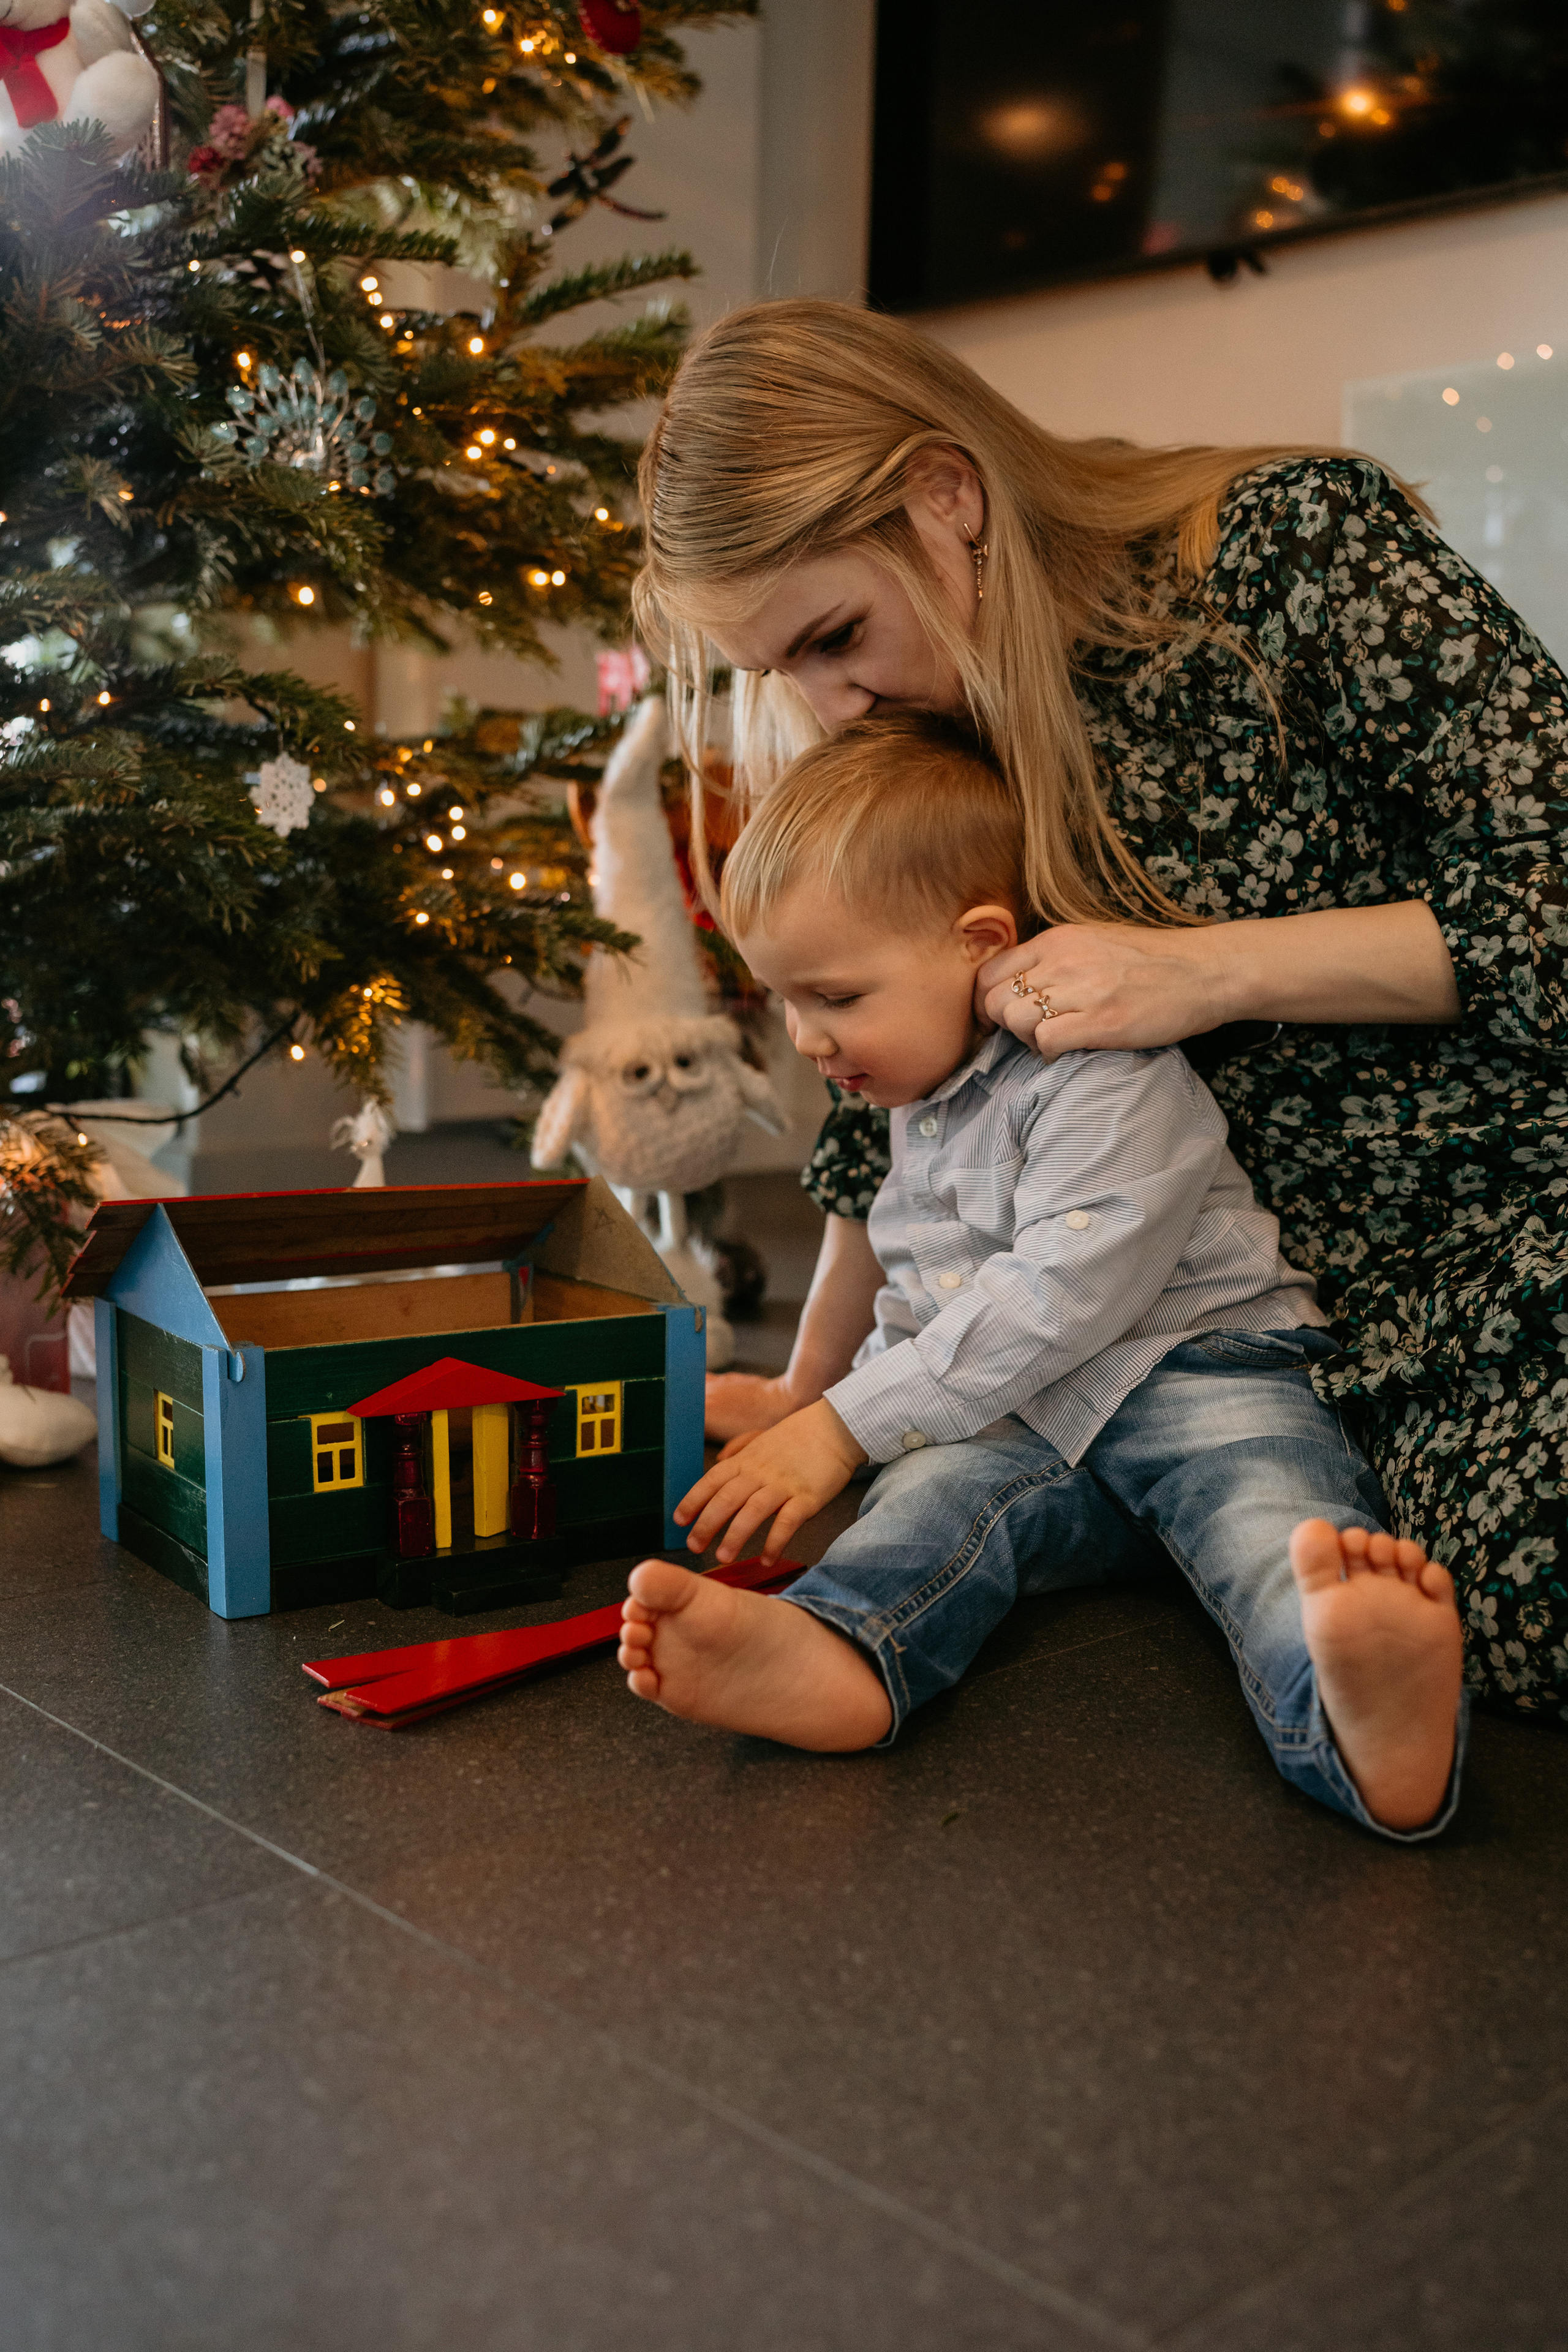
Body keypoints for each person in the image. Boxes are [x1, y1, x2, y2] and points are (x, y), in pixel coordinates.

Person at [630, 296, 1568, 1727]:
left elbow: (1546, 885)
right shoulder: (931, 717)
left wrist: (1211, 968)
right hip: (1173, 1314)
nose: (832, 706)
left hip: (1485, 1225)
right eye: (787, 673)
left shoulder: (1282, 551)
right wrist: (811, 1393)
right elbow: (887, 1091)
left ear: (944, 495)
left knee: (1517, 1615)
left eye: (835, 636)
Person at [618, 717, 1466, 1838]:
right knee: (928, 1501)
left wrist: (844, 1424)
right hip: (1026, 1413)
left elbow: (1060, 1293)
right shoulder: (913, 1104)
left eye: (834, 996)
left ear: (979, 943)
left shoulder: (1104, 1074)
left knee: (1275, 1522)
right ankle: (842, 1652)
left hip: (1197, 1369)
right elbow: (924, 1302)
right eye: (784, 1000)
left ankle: (1357, 1723)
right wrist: (855, 1410)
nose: (806, 1039)